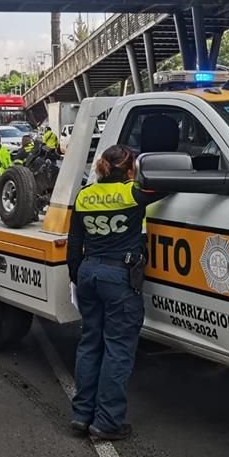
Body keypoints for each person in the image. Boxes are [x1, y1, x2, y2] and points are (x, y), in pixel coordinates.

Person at [66, 144, 166, 441]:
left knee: (89, 344)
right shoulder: (132, 193)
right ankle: (107, 422)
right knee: (118, 349)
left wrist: (77, 277)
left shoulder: (84, 196)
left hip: (88, 273)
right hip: (118, 277)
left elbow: (74, 244)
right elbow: (165, 188)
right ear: (130, 166)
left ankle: (82, 415)